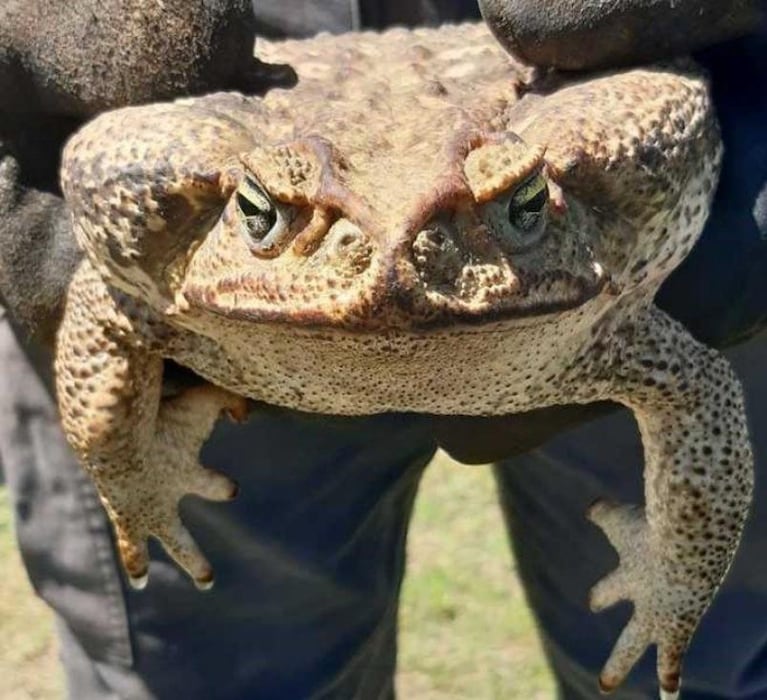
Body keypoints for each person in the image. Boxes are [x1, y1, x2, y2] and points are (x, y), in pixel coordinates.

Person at [0, 1, 764, 699]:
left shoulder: (609, 314)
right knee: (221, 678)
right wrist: (133, 469)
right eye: (266, 215)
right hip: (235, 81)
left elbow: (696, 388)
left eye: (526, 207)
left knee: (703, 669)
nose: (389, 268)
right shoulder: (184, 274)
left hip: (565, 69)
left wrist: (680, 570)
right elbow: (105, 305)